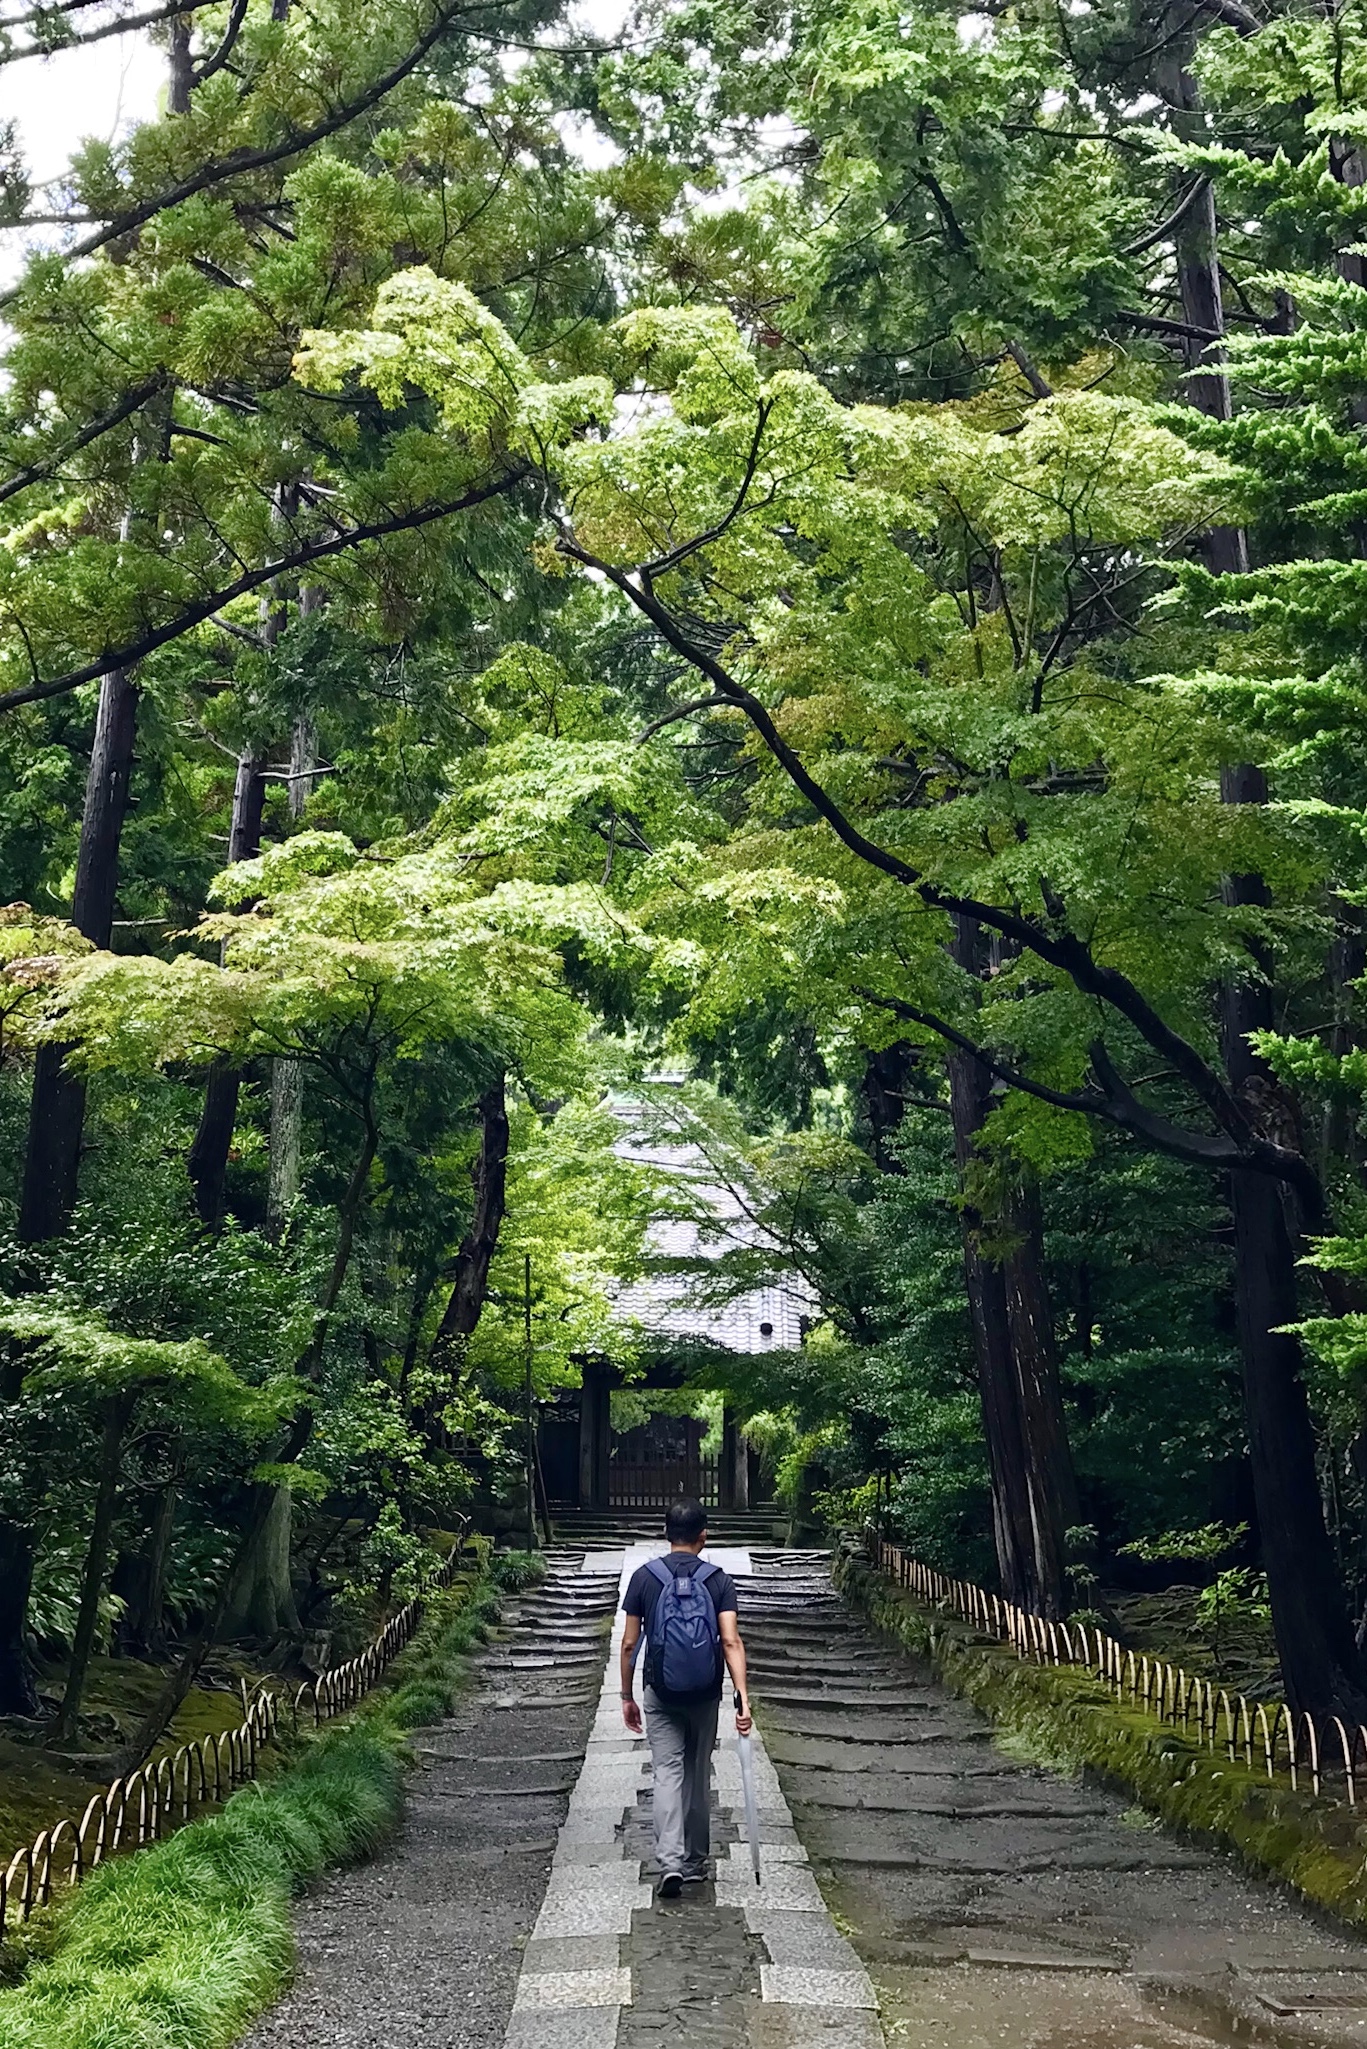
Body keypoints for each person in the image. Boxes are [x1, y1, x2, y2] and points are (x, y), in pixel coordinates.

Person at [620, 1495, 752, 1898]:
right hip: (705, 1693)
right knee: (697, 1773)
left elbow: (628, 1644)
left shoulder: (644, 1578)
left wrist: (627, 1695)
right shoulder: (718, 1580)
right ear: (703, 1536)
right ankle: (695, 1863)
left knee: (667, 1773)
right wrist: (742, 1698)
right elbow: (730, 1641)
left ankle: (670, 1862)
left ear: (666, 1534)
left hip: (660, 1691)